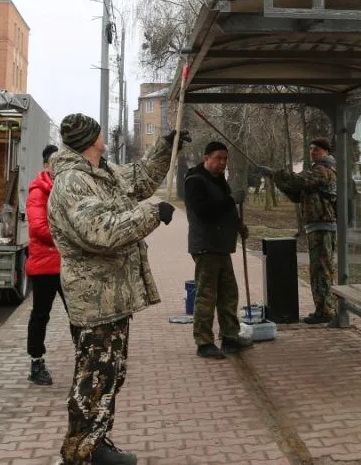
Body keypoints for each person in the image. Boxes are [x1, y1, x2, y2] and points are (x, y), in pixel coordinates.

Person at [47, 113, 185, 465]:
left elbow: (137, 179)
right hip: (95, 298)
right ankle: (82, 453)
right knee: (94, 376)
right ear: (91, 139)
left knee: (109, 374)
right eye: (98, 133)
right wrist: (151, 214)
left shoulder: (100, 173)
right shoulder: (73, 181)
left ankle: (97, 442)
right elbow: (101, 231)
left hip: (110, 296)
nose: (103, 137)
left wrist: (166, 149)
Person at [184, 141, 252, 359]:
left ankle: (230, 336)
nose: (222, 163)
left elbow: (225, 210)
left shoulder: (219, 180)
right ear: (206, 158)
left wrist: (238, 226)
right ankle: (204, 342)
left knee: (228, 293)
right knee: (207, 295)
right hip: (206, 245)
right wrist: (231, 200)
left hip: (221, 245)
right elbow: (205, 212)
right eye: (218, 158)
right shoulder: (195, 181)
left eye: (225, 159)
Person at [273, 137, 338, 324]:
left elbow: (299, 180)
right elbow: (297, 193)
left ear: (325, 151)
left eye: (316, 149)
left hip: (323, 226)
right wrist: (279, 181)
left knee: (322, 270)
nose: (312, 152)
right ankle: (323, 308)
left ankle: (325, 310)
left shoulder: (324, 171)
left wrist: (277, 174)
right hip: (316, 226)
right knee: (317, 269)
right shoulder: (316, 172)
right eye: (311, 149)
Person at [25, 144, 63, 386]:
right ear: (46, 165)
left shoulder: (67, 189)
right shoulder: (38, 191)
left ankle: (86, 360)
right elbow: (38, 229)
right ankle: (36, 363)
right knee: (41, 315)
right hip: (44, 266)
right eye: (53, 163)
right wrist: (71, 234)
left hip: (67, 264)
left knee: (78, 315)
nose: (57, 168)